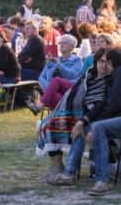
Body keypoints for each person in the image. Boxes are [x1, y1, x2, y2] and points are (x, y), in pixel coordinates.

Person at [47, 47, 121, 196]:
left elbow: (115, 104)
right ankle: (69, 174)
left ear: (112, 61)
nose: (103, 65)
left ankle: (103, 182)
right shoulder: (115, 75)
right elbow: (105, 103)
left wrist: (94, 125)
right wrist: (83, 121)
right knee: (85, 127)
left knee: (98, 128)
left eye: (106, 61)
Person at [36, 48, 112, 181]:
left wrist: (83, 119)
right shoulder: (89, 74)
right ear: (95, 62)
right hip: (80, 110)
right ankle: (57, 166)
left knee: (74, 128)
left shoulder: (112, 79)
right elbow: (76, 91)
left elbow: (103, 104)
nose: (103, 65)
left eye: (107, 62)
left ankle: (67, 171)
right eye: (101, 61)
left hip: (95, 115)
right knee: (48, 124)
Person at [15, 21, 47, 106]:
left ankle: (27, 102)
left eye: (28, 28)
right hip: (29, 70)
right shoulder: (31, 40)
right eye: (25, 29)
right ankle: (26, 99)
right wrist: (23, 56)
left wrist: (23, 56)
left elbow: (23, 56)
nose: (26, 30)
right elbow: (21, 55)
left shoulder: (37, 41)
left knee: (12, 78)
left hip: (35, 72)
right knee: (9, 76)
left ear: (35, 29)